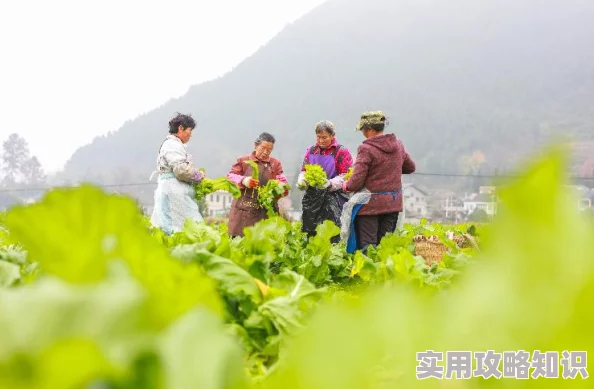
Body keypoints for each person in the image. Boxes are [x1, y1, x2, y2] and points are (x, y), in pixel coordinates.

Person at [342, 111, 416, 253]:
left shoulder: (366, 149)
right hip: (392, 204)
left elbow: (356, 181)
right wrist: (391, 170)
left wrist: (347, 185)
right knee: (384, 247)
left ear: (369, 129)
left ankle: (369, 273)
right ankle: (383, 274)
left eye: (363, 130)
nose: (363, 133)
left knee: (368, 248)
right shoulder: (398, 145)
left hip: (370, 206)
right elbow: (410, 167)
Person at [150, 112, 206, 235]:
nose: (190, 135)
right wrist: (198, 175)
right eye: (189, 130)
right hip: (173, 193)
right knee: (183, 228)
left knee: (172, 226)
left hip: (172, 191)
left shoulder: (174, 144)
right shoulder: (172, 145)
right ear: (181, 128)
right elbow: (180, 170)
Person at [297, 120, 353, 242]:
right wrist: (302, 180)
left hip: (333, 197)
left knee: (332, 232)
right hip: (312, 198)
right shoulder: (311, 150)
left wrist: (329, 183)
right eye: (318, 137)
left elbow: (346, 175)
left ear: (332, 136)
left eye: (324, 137)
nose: (321, 141)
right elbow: (304, 169)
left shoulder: (341, 151)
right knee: (310, 230)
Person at [226, 132, 289, 237]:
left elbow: (283, 183)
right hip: (243, 211)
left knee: (263, 243)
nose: (265, 152)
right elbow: (230, 177)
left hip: (265, 211)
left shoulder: (275, 164)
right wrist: (244, 180)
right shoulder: (244, 161)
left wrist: (280, 188)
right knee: (238, 242)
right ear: (256, 145)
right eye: (263, 148)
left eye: (269, 150)